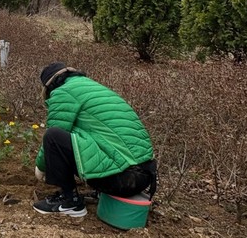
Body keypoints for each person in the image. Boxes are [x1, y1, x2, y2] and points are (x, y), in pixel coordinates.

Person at [32, 62, 157, 217]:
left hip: (122, 180)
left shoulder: (63, 92)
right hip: (144, 177)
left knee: (53, 137)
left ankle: (70, 202)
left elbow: (56, 131)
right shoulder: (94, 88)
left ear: (49, 86)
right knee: (90, 135)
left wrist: (41, 167)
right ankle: (99, 192)